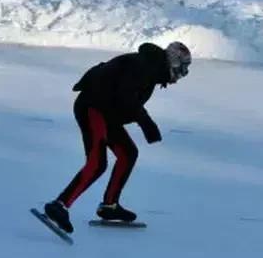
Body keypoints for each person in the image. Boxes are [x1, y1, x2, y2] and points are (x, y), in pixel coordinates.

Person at [42, 41, 192, 233]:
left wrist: (143, 120)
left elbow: (126, 100)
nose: (182, 74)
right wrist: (147, 123)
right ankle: (59, 205)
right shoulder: (143, 66)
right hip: (93, 107)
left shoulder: (151, 69)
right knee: (97, 163)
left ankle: (109, 206)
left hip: (107, 112)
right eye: (183, 68)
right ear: (173, 62)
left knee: (128, 153)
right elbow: (126, 96)